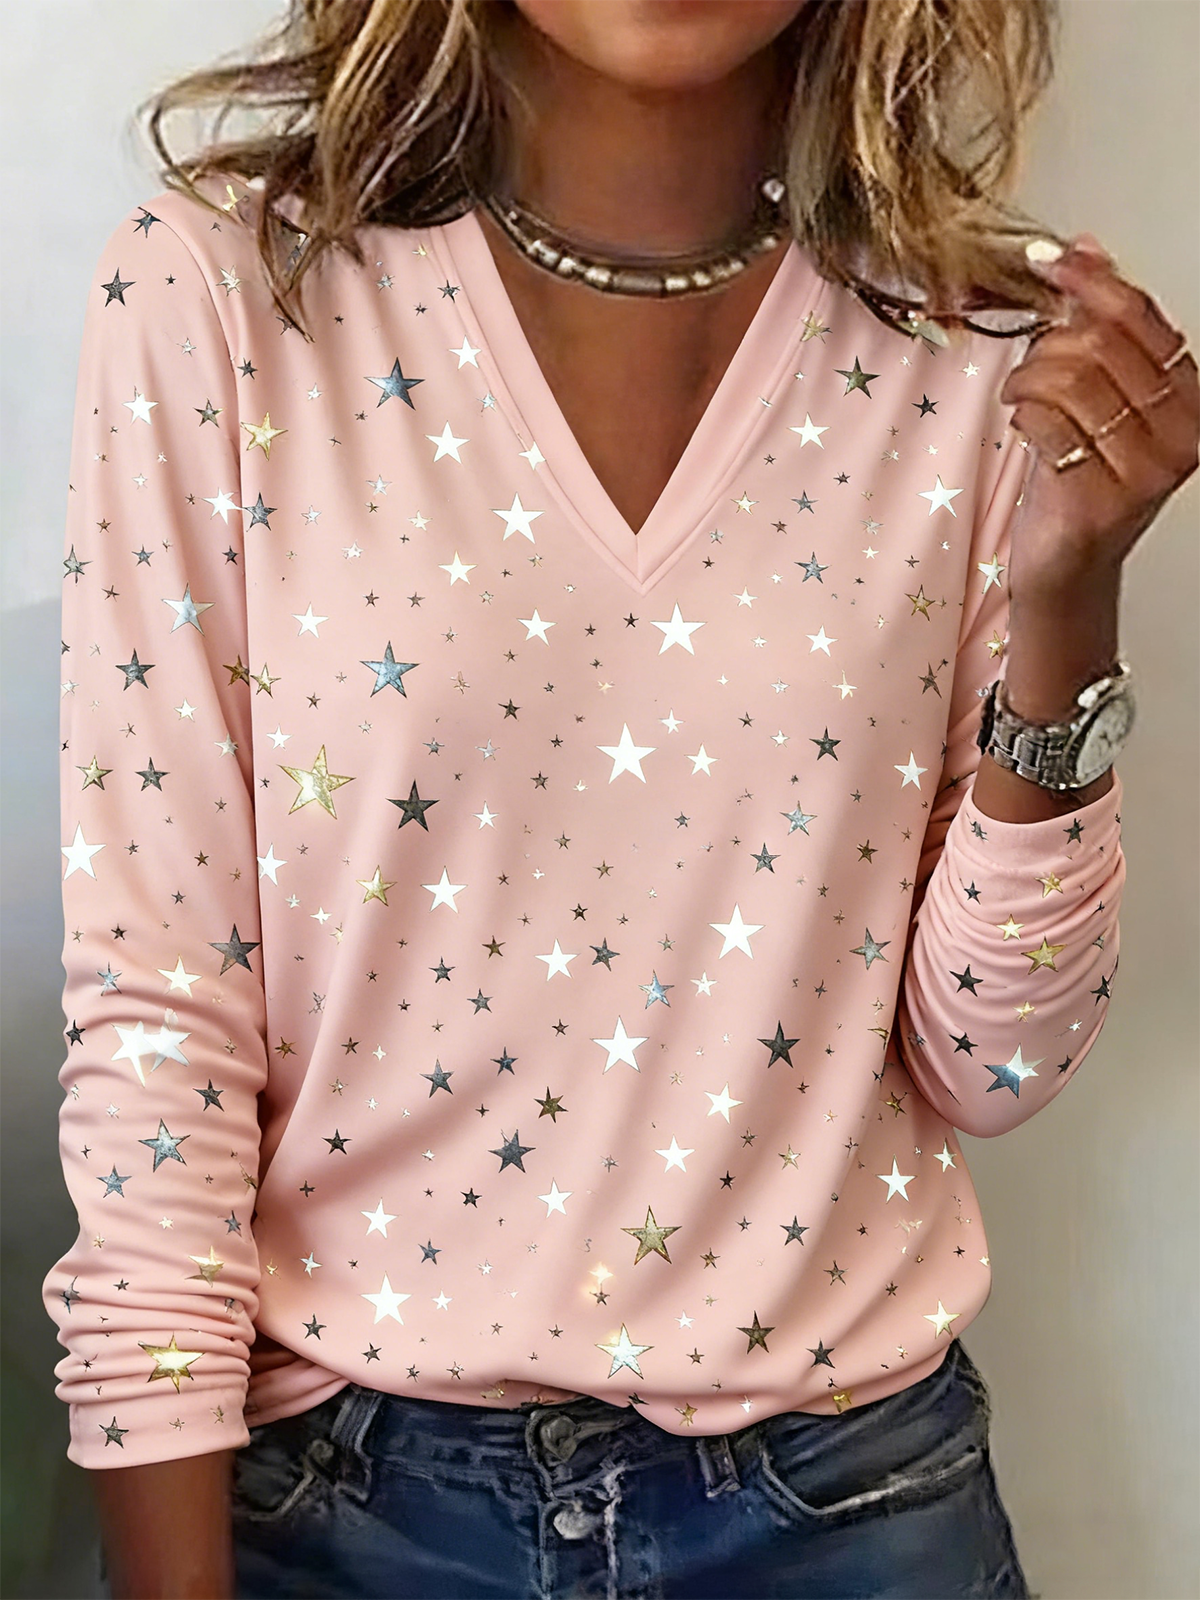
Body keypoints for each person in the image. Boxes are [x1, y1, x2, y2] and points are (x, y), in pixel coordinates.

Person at [42, 1, 1197, 1597]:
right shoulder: (225, 294)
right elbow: (160, 1023)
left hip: (848, 1503)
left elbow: (991, 1063)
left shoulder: (987, 355)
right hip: (338, 1508)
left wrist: (1068, 609)